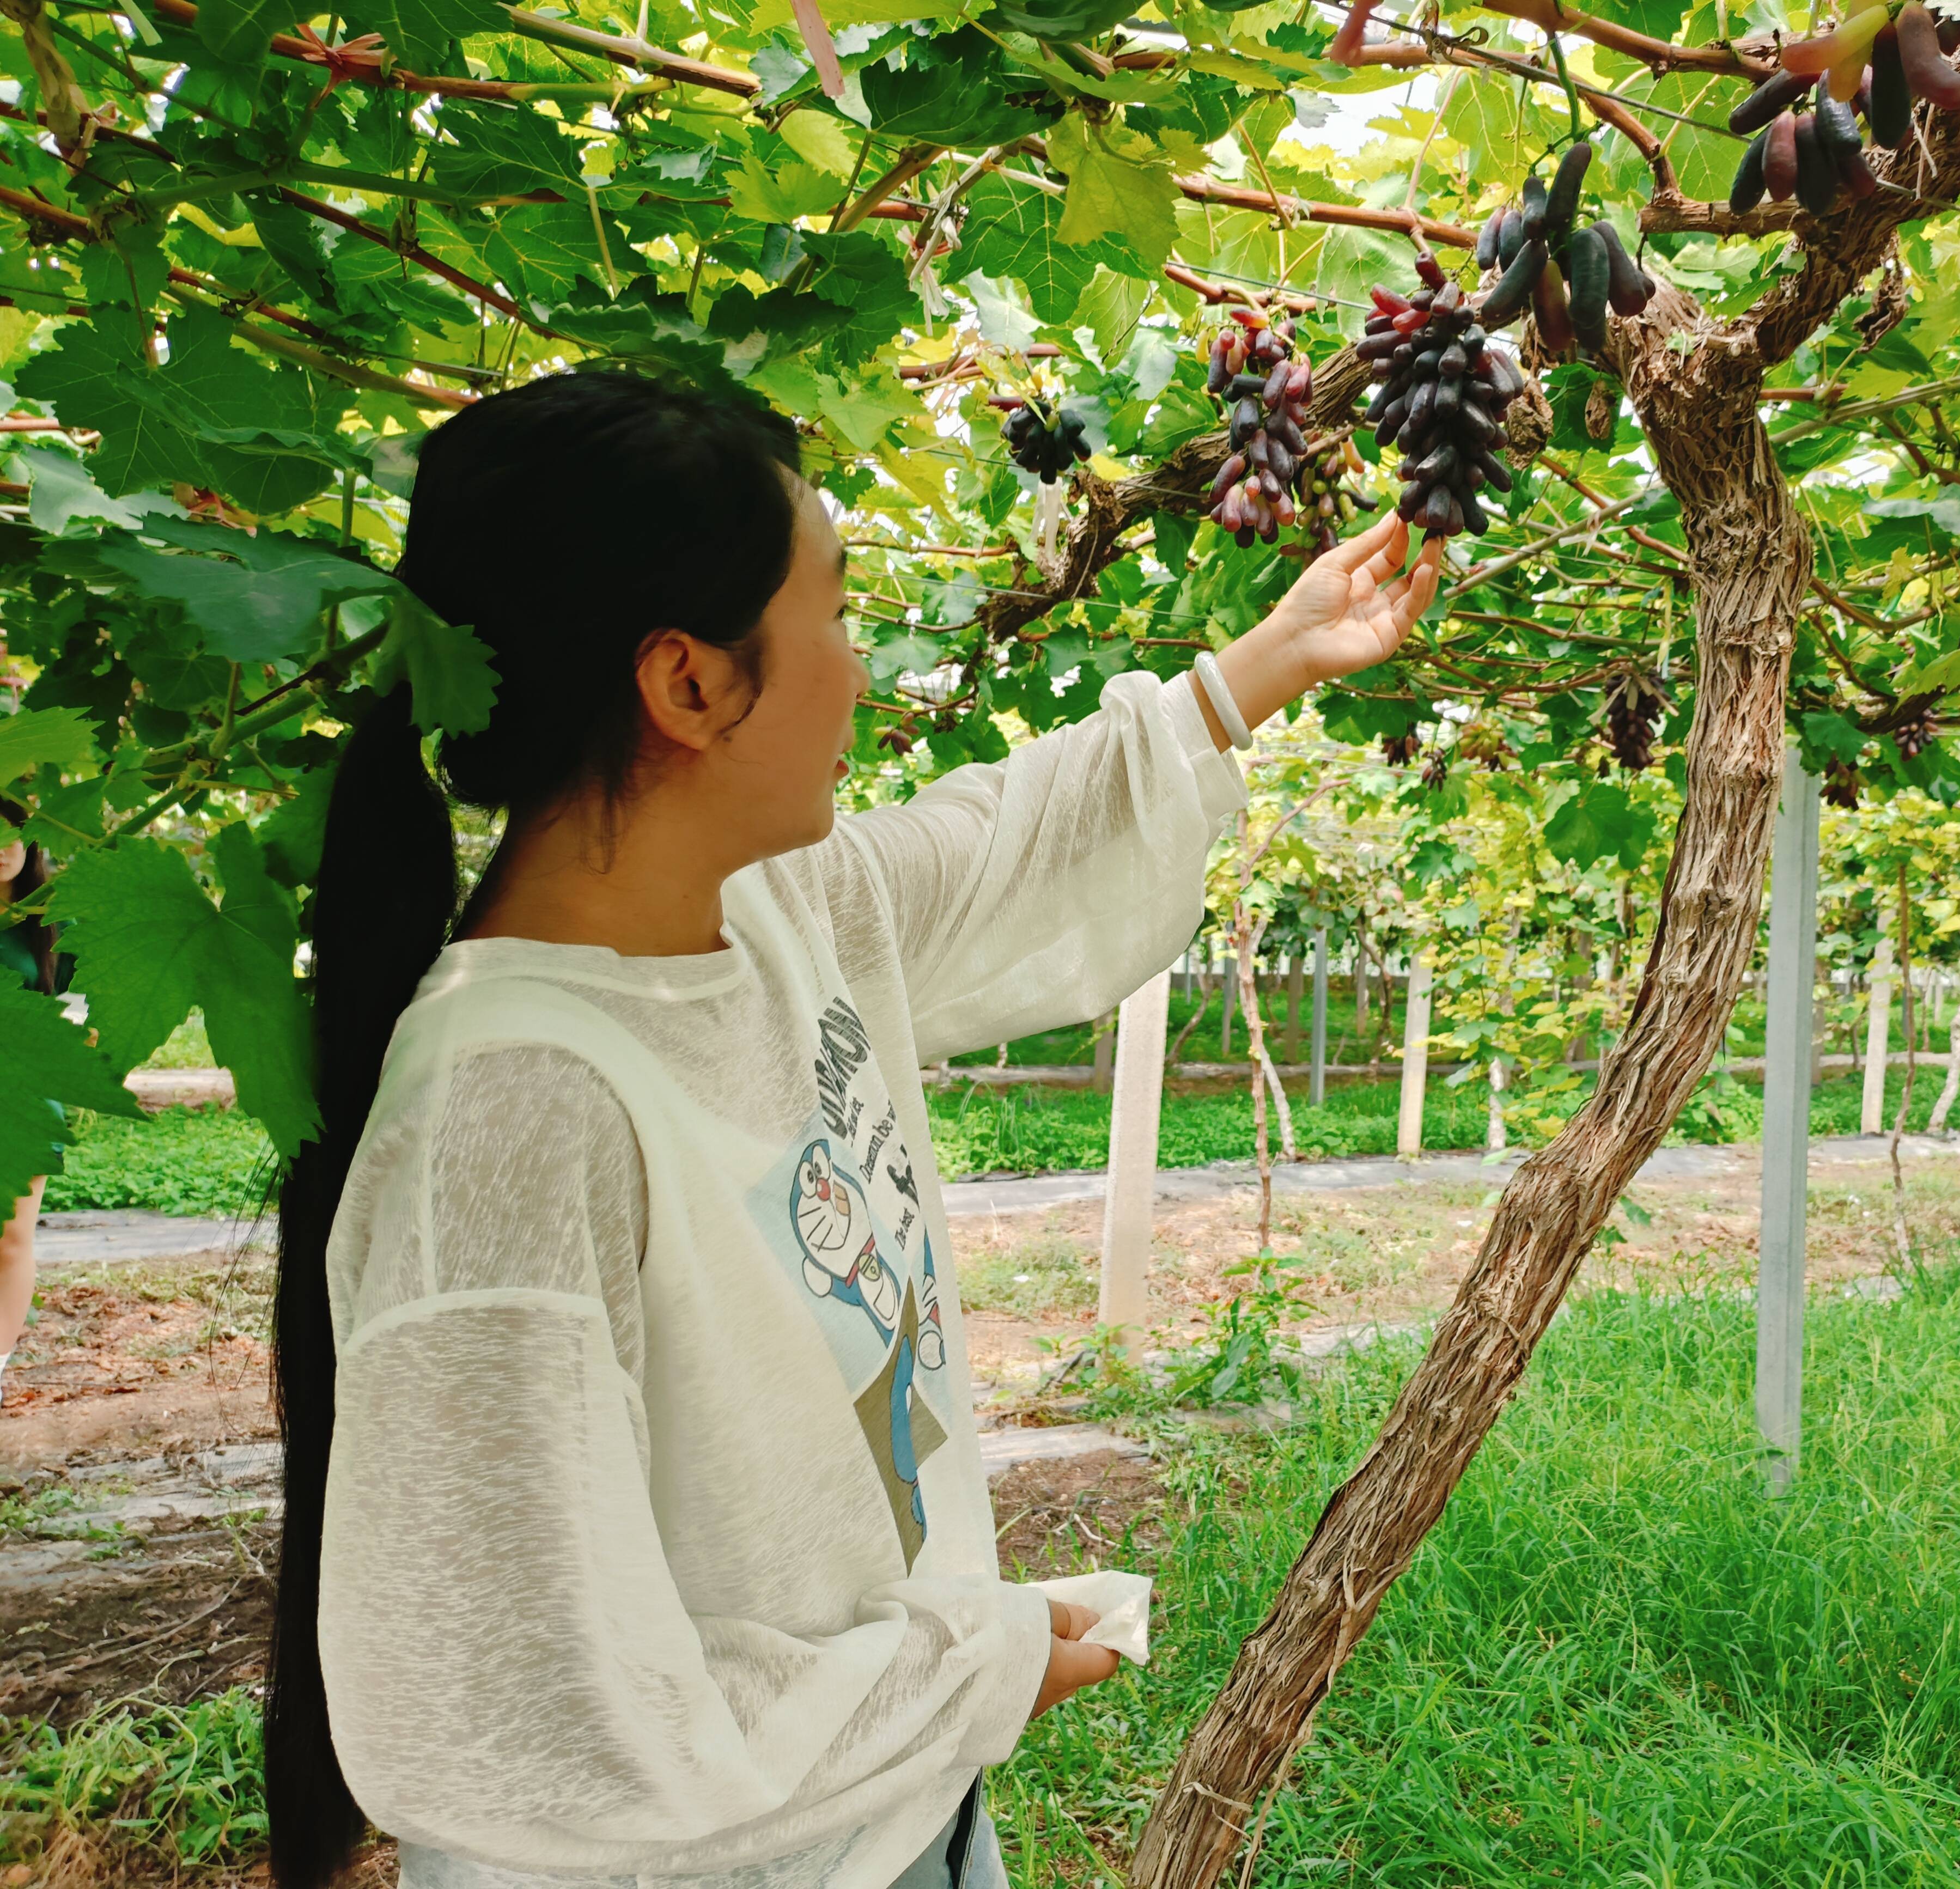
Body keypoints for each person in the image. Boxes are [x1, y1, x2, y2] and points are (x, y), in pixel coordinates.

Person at [267, 370, 1440, 1889]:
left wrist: (1261, 668)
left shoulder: (770, 917)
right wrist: (975, 1667)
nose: (865, 666)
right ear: (688, 683)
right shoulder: (517, 1113)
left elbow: (1005, 840)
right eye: (833, 610)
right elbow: (525, 1720)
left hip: (893, 1824)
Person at [0, 796, 64, 1388]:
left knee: (14, 1240)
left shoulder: (49, 925)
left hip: (24, 1099)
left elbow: (86, 1019)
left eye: (11, 833)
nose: (2, 846)